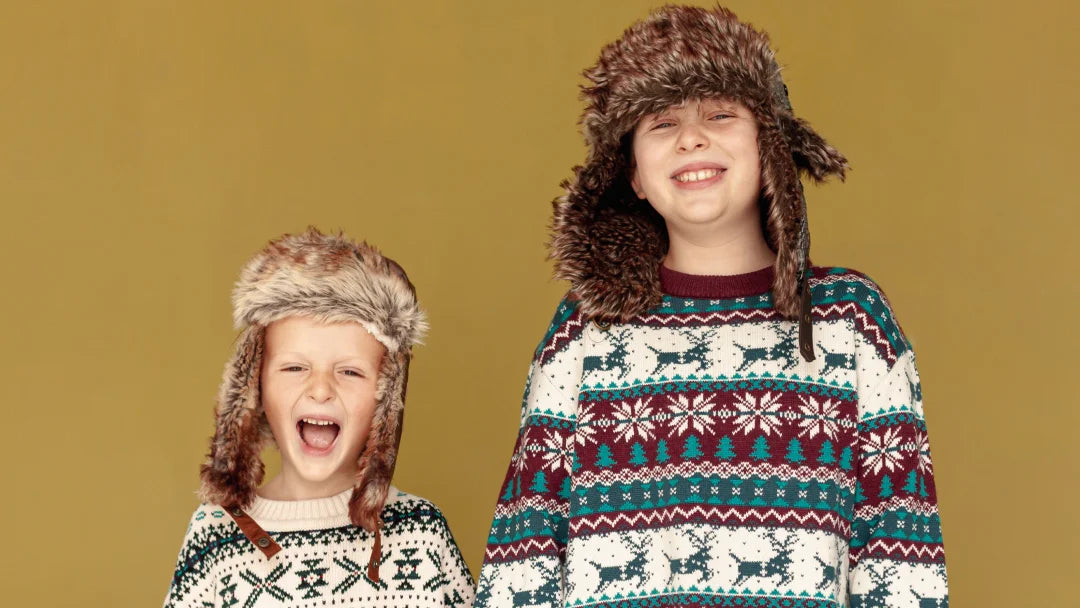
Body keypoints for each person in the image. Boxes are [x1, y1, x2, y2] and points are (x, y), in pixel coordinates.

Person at [473, 6, 948, 608]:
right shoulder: (585, 332)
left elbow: (901, 557)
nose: (691, 137)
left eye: (720, 114)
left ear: (770, 144)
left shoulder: (851, 322)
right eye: (661, 122)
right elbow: (524, 553)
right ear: (635, 176)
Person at [164, 228, 474, 607]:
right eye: (295, 368)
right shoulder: (214, 537)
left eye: (350, 372)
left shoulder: (422, 533)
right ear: (255, 385)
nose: (321, 389)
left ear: (386, 398)